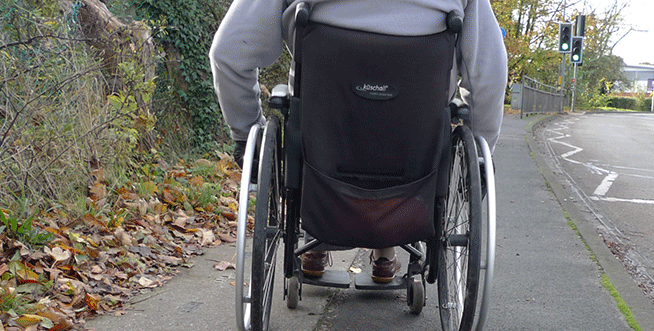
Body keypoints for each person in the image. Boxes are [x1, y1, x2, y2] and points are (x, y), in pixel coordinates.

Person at [210, 0, 507, 282]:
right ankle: (387, 245)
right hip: (414, 146)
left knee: (317, 104)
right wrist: (481, 152)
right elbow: (488, 75)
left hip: (322, 140)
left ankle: (316, 241)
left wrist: (247, 131)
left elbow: (229, 53)